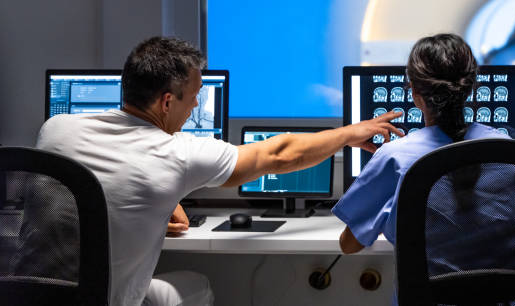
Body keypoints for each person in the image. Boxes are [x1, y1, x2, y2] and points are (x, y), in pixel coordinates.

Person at [34, 36, 402, 306]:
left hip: (35, 293)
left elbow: (95, 193)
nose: (194, 109)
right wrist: (351, 134)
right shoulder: (175, 154)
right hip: (108, 298)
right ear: (166, 102)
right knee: (195, 287)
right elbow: (279, 155)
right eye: (193, 99)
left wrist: (159, 204)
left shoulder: (56, 128)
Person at [332, 34, 515, 305]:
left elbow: (349, 245)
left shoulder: (395, 158)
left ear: (415, 95)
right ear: (471, 88)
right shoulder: (509, 153)